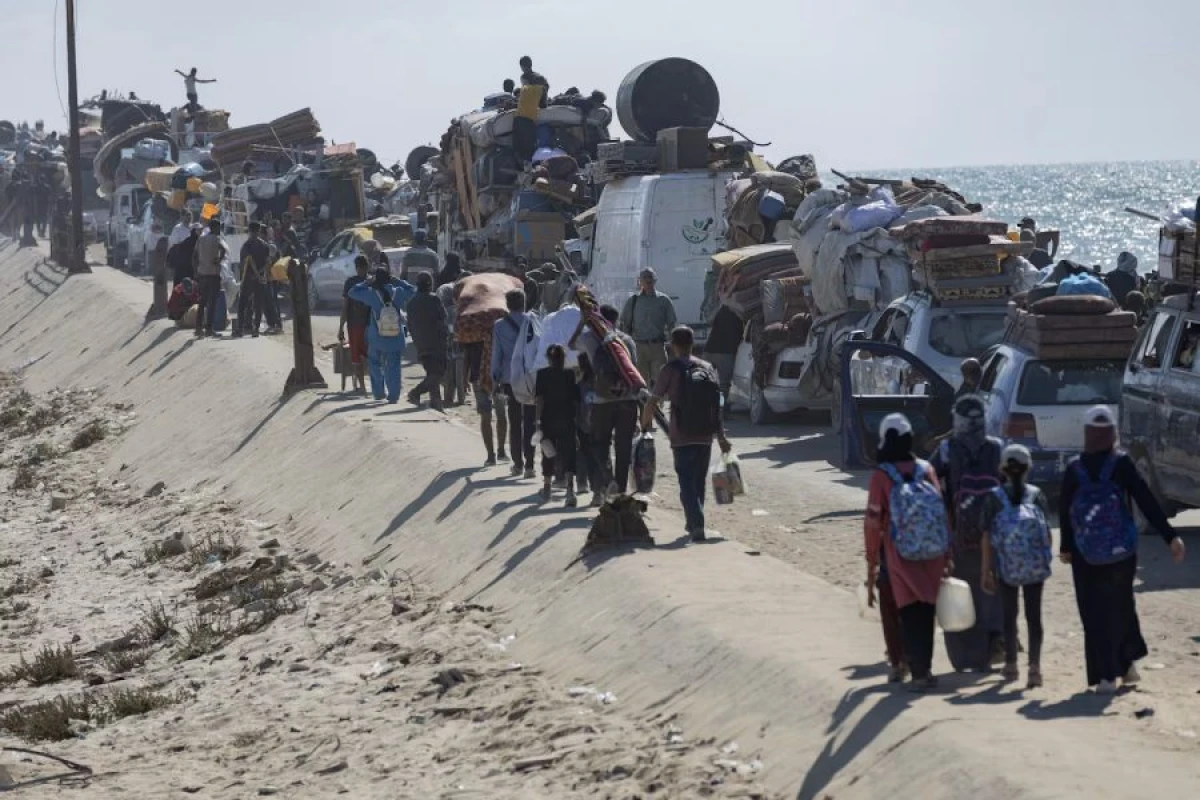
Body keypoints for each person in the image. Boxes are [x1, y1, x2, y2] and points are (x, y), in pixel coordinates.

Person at [1059, 405, 1186, 694]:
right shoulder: (1122, 464)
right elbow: (1145, 499)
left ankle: (1107, 675)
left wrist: (1067, 546)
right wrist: (1170, 536)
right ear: (1112, 433)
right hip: (1121, 552)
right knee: (1120, 606)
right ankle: (1125, 665)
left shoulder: (1074, 469)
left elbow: (1065, 511)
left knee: (1093, 612)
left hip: (1085, 553)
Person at [864, 414, 952, 692]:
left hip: (899, 552)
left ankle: (911, 669)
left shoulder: (881, 475)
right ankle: (924, 669)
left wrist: (871, 558)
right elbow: (941, 511)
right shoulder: (926, 469)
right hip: (933, 551)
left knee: (908, 609)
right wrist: (947, 552)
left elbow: (873, 520)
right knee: (926, 609)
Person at [930, 394, 1005, 672]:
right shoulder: (997, 449)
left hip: (957, 536)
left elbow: (929, 484)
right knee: (992, 590)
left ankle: (965, 657)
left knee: (959, 594)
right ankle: (996, 642)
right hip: (995, 537)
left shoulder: (946, 450)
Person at [641, 326, 731, 542]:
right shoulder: (709, 369)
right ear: (692, 344)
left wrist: (644, 425)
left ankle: (697, 524)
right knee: (698, 482)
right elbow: (717, 405)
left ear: (673, 345)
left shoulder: (670, 369)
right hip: (705, 435)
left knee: (686, 482)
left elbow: (653, 401)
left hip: (681, 435)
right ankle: (693, 523)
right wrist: (721, 436)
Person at [981, 444, 1051, 688]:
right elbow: (1047, 536)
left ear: (1003, 469)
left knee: (1009, 615)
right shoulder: (1038, 495)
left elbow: (987, 538)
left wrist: (986, 571)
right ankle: (1035, 668)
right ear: (1029, 468)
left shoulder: (994, 498)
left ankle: (1011, 665)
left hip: (1005, 567)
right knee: (1035, 617)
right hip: (1034, 566)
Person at [571, 304, 638, 504]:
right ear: (616, 320)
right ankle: (621, 492)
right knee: (623, 447)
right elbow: (634, 369)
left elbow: (571, 345)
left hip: (602, 400)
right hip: (628, 400)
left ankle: (608, 480)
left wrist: (582, 323)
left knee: (599, 443)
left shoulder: (589, 338)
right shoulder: (627, 340)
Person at [348, 267, 417, 404]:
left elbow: (352, 292)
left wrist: (366, 282)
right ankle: (393, 395)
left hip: (377, 337)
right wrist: (399, 281)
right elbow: (413, 291)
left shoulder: (371, 294)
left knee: (374, 364)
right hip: (395, 337)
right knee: (394, 366)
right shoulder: (398, 292)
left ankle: (379, 392)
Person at [491, 289, 537, 478]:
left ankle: (517, 464)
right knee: (531, 422)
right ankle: (530, 466)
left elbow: (497, 355)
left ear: (507, 305)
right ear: (524, 303)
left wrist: (495, 377)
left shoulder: (499, 326)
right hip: (531, 378)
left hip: (511, 379)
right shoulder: (534, 321)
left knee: (515, 421)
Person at [535, 344, 581, 507]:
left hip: (548, 420)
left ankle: (547, 488)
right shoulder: (570, 374)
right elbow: (576, 400)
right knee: (569, 454)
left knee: (548, 453)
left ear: (548, 358)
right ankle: (570, 491)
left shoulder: (542, 374)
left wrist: (538, 422)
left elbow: (539, 400)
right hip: (567, 419)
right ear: (563, 359)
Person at [619, 268, 678, 385]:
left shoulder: (663, 300)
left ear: (655, 280)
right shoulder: (633, 300)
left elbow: (672, 324)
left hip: (657, 347)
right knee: (640, 382)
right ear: (639, 281)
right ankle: (643, 403)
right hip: (639, 347)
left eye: (650, 277)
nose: (648, 280)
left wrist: (675, 345)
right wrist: (625, 346)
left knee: (661, 381)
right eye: (644, 277)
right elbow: (625, 324)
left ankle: (658, 403)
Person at [405, 272, 449, 411]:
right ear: (430, 284)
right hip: (435, 342)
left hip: (420, 343)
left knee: (431, 371)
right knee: (438, 373)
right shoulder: (434, 299)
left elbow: (409, 324)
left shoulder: (411, 302)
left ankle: (436, 402)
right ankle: (415, 392)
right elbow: (443, 317)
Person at [337, 256, 372, 394]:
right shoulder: (371, 282)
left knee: (356, 356)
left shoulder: (350, 283)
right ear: (367, 266)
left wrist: (340, 327)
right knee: (371, 356)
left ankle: (362, 387)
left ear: (356, 267)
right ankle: (374, 386)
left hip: (355, 326)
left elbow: (345, 307)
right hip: (371, 326)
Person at [234, 222, 271, 338]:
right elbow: (268, 262)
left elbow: (248, 262)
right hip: (260, 278)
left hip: (248, 278)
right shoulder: (264, 245)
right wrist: (260, 274)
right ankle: (256, 329)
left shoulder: (247, 245)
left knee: (242, 304)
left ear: (249, 231)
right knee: (258, 304)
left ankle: (240, 329)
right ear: (259, 230)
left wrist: (255, 274)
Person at [192, 219, 226, 338]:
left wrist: (196, 271)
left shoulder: (201, 239)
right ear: (215, 228)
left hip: (202, 274)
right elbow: (223, 249)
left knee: (202, 302)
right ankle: (209, 329)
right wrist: (219, 259)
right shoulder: (216, 239)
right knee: (211, 303)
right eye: (219, 228)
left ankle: (198, 328)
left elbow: (194, 256)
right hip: (213, 274)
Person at [437, 283, 466, 407]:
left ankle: (449, 398)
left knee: (450, 375)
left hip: (450, 346)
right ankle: (461, 399)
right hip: (460, 346)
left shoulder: (446, 311)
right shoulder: (462, 310)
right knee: (460, 375)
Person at [147, 224, 170, 320]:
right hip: (159, 264)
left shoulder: (163, 237)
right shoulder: (152, 236)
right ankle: (160, 308)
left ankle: (161, 308)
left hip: (161, 264)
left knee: (161, 287)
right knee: (159, 287)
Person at [169, 223, 200, 288]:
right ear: (193, 231)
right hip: (187, 271)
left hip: (186, 271)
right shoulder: (193, 243)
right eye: (198, 230)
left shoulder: (187, 241)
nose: (200, 232)